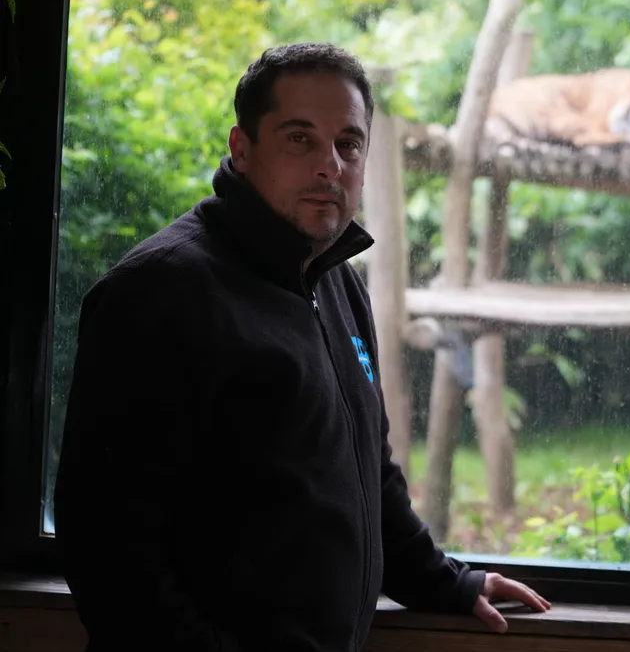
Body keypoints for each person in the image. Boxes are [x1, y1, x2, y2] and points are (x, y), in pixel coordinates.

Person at [53, 42, 551, 652]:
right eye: (299, 139)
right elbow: (107, 545)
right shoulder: (160, 292)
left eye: (349, 143)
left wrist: (443, 581)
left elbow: (366, 466)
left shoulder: (335, 278)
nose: (330, 166)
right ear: (242, 149)